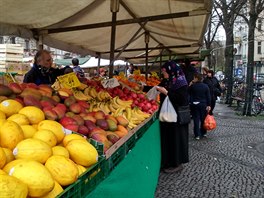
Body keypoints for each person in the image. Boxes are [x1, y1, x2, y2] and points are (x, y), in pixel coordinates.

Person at [156, 60, 189, 173]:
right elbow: (157, 87)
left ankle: (177, 163)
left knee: (176, 139)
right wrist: (143, 87)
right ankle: (167, 162)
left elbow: (182, 99)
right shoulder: (167, 81)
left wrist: (167, 93)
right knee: (167, 139)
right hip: (166, 116)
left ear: (171, 70)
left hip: (176, 117)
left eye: (164, 71)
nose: (163, 74)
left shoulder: (181, 82)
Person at [189, 73, 211, 140]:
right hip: (203, 104)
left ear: (196, 78)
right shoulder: (206, 86)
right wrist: (208, 105)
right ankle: (203, 132)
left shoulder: (192, 86)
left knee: (196, 119)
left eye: (194, 78)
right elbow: (208, 97)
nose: (193, 79)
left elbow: (189, 94)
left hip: (194, 105)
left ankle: (197, 135)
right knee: (203, 119)